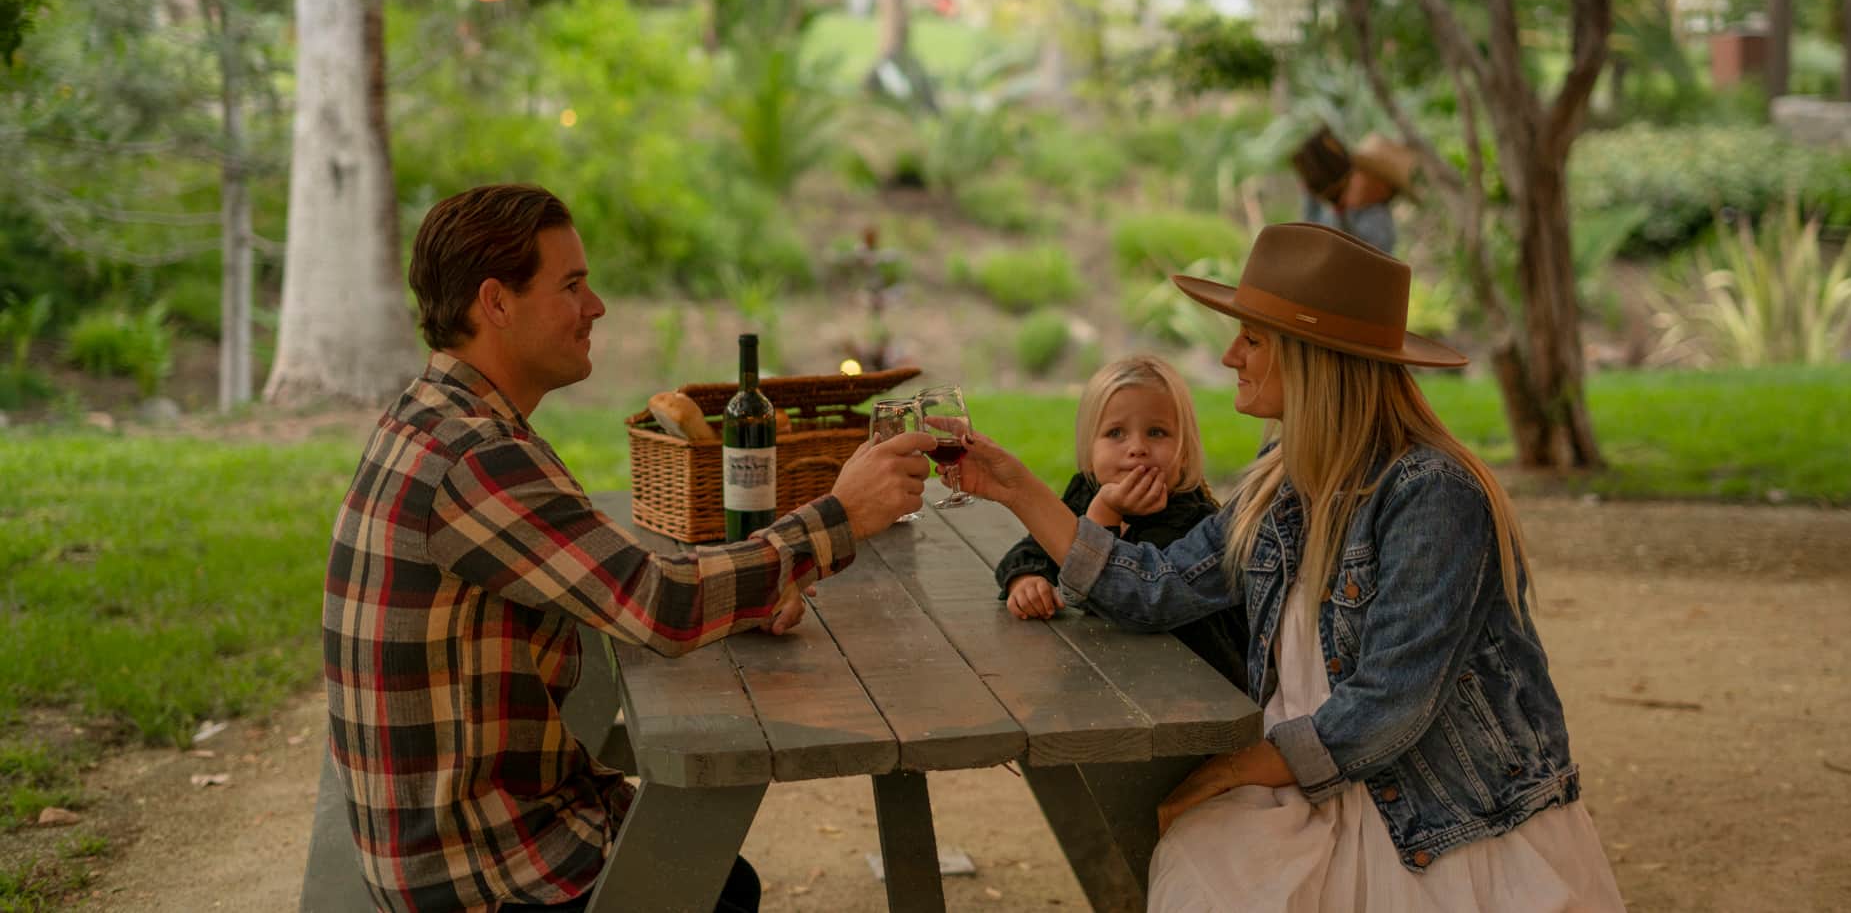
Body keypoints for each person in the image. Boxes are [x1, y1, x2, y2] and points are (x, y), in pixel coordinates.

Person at [952, 223, 1625, 912]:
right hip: (1317, 792)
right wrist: (1014, 486)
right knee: (1197, 868)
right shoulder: (1283, 491)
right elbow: (1155, 589)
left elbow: (1385, 709)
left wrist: (1231, 771)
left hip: (1440, 827)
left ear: (1312, 356)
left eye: (1252, 338)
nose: (1228, 356)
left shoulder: (1432, 495)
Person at [322, 184, 933, 913]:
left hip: (437, 834)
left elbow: (624, 581)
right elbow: (659, 605)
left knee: (715, 875)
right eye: (572, 285)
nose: (597, 306)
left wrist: (748, 592)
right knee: (711, 881)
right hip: (478, 870)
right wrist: (839, 514)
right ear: (496, 303)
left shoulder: (433, 416)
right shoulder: (475, 455)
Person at [992, 355, 1249, 690]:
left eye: (1157, 432)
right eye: (1116, 433)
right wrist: (1027, 578)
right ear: (1089, 448)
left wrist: (1104, 515)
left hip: (1192, 688)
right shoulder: (1086, 489)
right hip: (1112, 677)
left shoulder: (1190, 520)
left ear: (1184, 451)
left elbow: (1118, 597)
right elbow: (1033, 546)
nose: (1137, 448)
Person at [1295, 131, 1414, 256]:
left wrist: (1340, 209)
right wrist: (1309, 192)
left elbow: (1355, 256)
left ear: (1381, 189)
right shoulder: (1342, 209)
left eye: (1361, 174)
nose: (1353, 179)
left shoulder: (1380, 223)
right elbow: (1311, 227)